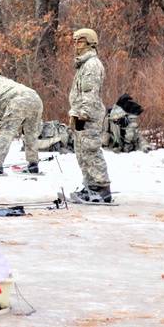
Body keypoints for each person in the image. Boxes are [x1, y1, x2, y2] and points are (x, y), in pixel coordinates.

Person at [68, 28, 113, 203]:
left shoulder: (92, 65)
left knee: (91, 150)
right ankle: (90, 186)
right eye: (75, 41)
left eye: (79, 41)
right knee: (81, 152)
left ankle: (102, 188)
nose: (76, 45)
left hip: (89, 116)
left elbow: (90, 93)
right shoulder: (83, 65)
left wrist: (83, 115)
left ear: (89, 43)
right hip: (81, 113)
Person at [0, 64, 44, 174]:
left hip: (19, 101)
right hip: (36, 99)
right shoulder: (7, 81)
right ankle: (33, 165)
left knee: (6, 132)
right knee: (31, 134)